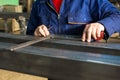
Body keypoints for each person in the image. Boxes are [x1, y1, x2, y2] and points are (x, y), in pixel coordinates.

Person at [27, 0, 120, 42]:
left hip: (84, 63)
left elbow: (117, 16)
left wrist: (101, 24)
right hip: (52, 63)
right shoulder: (39, 4)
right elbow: (29, 33)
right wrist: (35, 32)